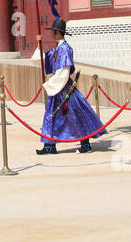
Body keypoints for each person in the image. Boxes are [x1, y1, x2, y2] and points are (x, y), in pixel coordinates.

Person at [36, 19, 106, 156]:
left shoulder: (66, 49)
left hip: (64, 89)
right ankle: (49, 146)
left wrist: (49, 84)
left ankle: (85, 144)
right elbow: (46, 58)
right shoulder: (57, 49)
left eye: (53, 32)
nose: (51, 35)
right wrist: (39, 46)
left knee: (76, 117)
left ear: (57, 33)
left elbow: (64, 72)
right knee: (51, 116)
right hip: (57, 89)